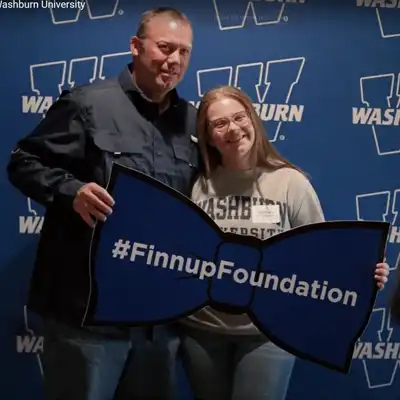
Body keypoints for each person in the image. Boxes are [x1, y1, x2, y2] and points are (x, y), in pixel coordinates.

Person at [7, 7, 199, 400]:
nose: (174, 60)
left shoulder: (193, 123)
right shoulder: (86, 103)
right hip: (87, 318)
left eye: (184, 52)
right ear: (136, 46)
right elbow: (24, 162)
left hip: (158, 323)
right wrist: (70, 190)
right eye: (165, 47)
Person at [177, 85, 390, 400]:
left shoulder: (290, 182)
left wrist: (363, 276)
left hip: (268, 334)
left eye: (239, 117)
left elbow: (323, 254)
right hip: (200, 331)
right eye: (219, 124)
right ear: (207, 136)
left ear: (254, 120)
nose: (232, 128)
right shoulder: (196, 184)